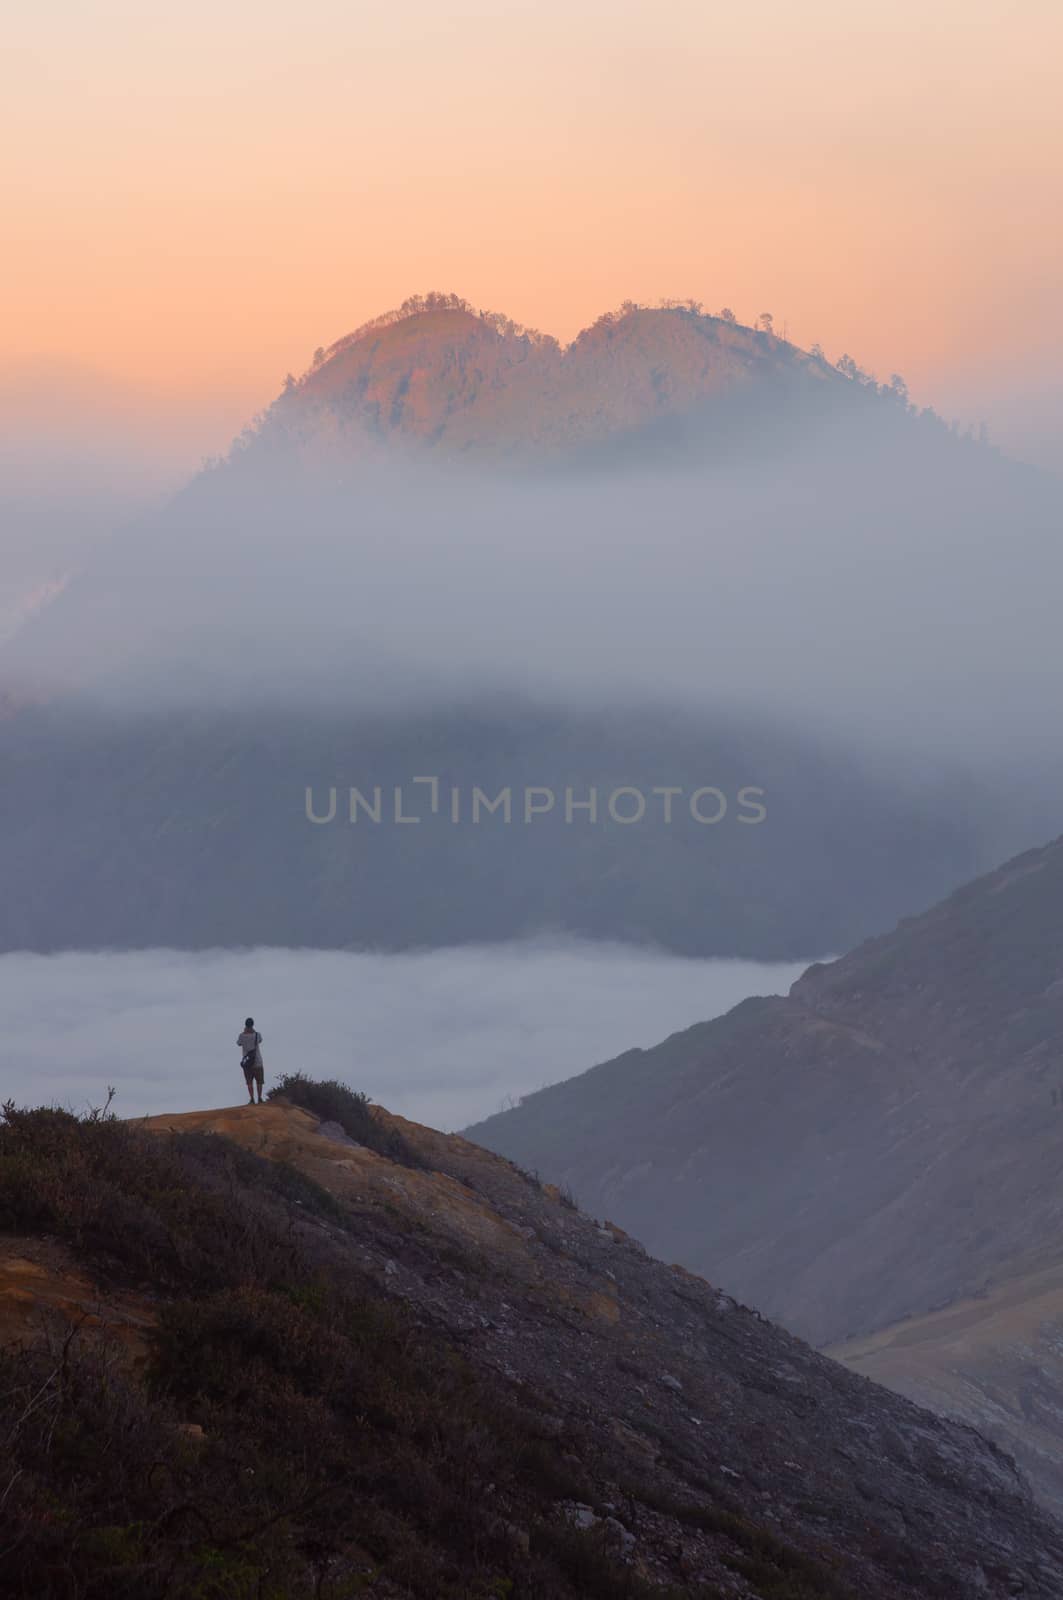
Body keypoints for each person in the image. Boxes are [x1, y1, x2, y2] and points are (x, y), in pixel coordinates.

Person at [237, 1017, 264, 1105]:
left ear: (245, 1025)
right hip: (257, 1061)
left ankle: (252, 1099)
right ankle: (259, 1098)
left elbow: (238, 1043)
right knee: (259, 1082)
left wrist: (244, 1032)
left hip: (247, 1062)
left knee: (249, 1082)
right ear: (252, 1025)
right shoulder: (257, 1035)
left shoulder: (242, 1035)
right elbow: (260, 1041)